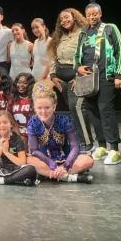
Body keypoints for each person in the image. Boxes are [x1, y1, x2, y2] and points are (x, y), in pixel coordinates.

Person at [74, 0, 121, 165]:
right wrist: (78, 68)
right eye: (89, 14)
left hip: (106, 76)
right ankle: (102, 146)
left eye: (95, 14)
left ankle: (114, 149)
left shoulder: (110, 28)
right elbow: (76, 56)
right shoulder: (83, 32)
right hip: (88, 79)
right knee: (92, 111)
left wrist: (119, 74)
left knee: (106, 111)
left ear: (100, 14)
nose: (92, 17)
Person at [26, 81, 94, 183]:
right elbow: (34, 150)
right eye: (39, 108)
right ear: (34, 108)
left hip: (67, 160)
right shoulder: (33, 123)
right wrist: (51, 164)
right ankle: (66, 177)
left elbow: (75, 146)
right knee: (29, 161)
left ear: (54, 106)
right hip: (45, 161)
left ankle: (52, 175)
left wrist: (66, 166)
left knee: (88, 160)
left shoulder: (64, 120)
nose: (43, 112)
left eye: (47, 108)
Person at [47, 8, 93, 151]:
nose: (64, 21)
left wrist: (79, 76)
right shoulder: (60, 36)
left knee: (77, 107)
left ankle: (88, 143)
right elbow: (54, 57)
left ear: (74, 17)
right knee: (73, 111)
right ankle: (81, 141)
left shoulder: (84, 33)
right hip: (62, 79)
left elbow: (88, 56)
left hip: (76, 77)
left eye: (67, 17)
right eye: (61, 19)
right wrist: (53, 76)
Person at [0, 110, 37, 186]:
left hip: (16, 169)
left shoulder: (18, 139)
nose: (2, 125)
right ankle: (14, 180)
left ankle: (2, 180)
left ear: (11, 124)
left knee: (30, 169)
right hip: (0, 169)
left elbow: (22, 162)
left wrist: (6, 152)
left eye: (5, 122)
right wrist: (1, 148)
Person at [7, 72, 35, 146]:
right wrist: (18, 134)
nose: (21, 85)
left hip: (32, 134)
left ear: (30, 85)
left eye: (25, 83)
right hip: (16, 133)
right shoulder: (12, 99)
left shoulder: (34, 99)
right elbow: (9, 117)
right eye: (19, 82)